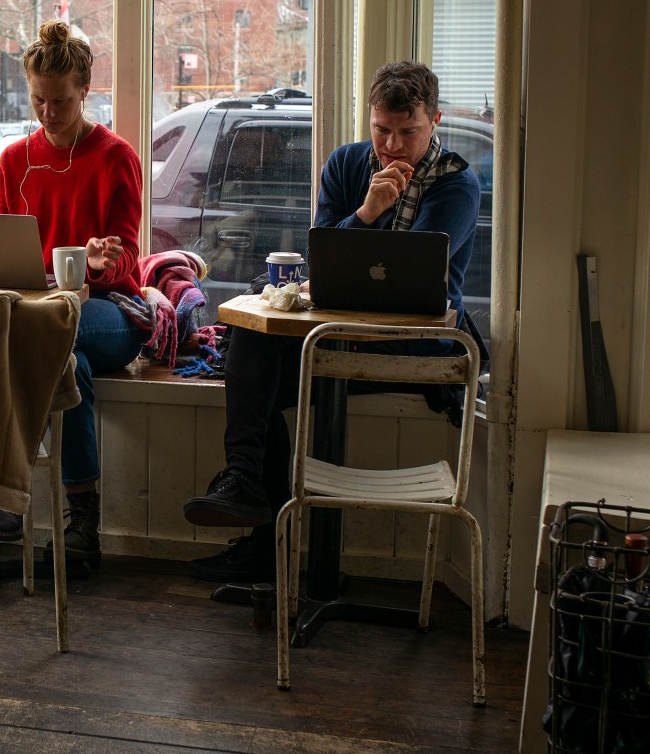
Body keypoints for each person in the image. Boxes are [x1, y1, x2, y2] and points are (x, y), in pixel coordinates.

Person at [181, 60, 482, 584]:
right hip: (334, 328)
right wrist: (366, 212)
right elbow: (322, 261)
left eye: (407, 132)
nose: (391, 146)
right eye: (381, 130)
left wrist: (372, 223)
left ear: (434, 121)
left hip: (416, 341)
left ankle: (262, 539)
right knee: (251, 345)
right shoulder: (346, 165)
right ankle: (245, 486)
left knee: (260, 385)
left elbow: (407, 279)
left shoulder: (455, 184)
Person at [0, 20, 148, 563]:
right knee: (64, 356)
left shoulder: (114, 156)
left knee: (54, 334)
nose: (48, 113)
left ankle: (8, 486)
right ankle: (84, 524)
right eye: (38, 100)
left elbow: (128, 263)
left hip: (114, 309)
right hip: (40, 314)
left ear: (84, 92)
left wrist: (98, 266)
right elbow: (2, 250)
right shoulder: (13, 159)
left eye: (61, 101)